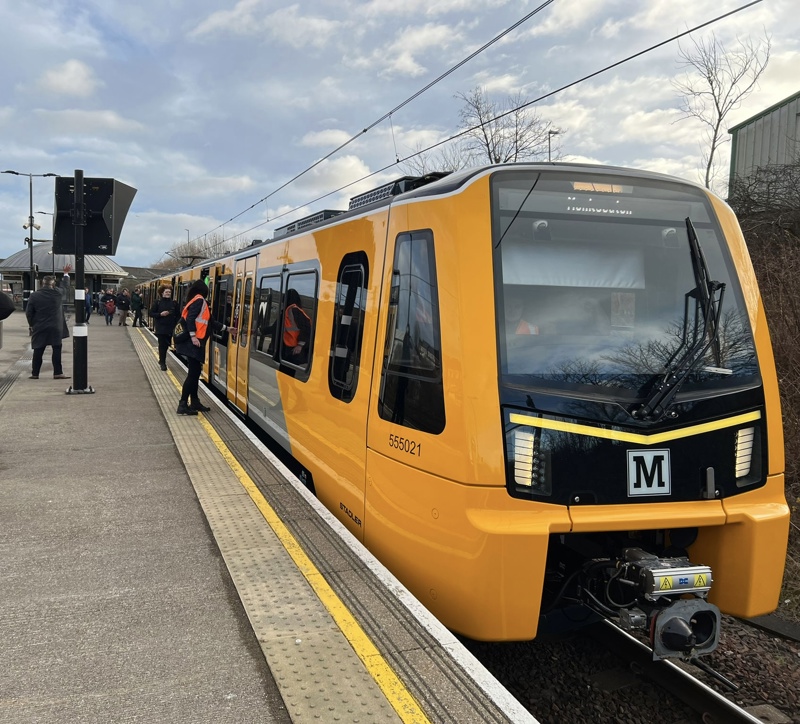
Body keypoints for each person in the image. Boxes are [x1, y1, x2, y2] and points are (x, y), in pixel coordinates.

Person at [174, 280, 226, 415]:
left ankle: (195, 401)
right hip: (193, 344)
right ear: (204, 290)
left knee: (195, 373)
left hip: (193, 343)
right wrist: (193, 336)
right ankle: (183, 404)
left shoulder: (196, 300)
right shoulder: (200, 301)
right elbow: (191, 319)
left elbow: (211, 321)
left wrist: (227, 328)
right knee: (193, 374)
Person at [25, 274, 70, 380]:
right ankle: (58, 373)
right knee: (57, 349)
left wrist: (31, 324)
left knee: (38, 350)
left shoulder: (34, 296)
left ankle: (35, 373)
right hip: (56, 327)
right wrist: (65, 275)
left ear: (42, 283)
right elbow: (65, 287)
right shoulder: (57, 293)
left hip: (40, 326)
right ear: (53, 284)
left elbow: (29, 312)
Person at [150, 285, 179, 371]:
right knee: (162, 346)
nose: (168, 293)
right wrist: (160, 314)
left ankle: (162, 360)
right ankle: (162, 362)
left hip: (170, 328)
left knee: (166, 345)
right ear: (162, 293)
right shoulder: (157, 302)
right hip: (161, 328)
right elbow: (151, 313)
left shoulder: (174, 303)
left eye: (169, 292)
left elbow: (178, 315)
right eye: (166, 292)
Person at [282, 288, 312, 363]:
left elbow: (306, 328)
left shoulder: (293, 310)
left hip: (294, 348)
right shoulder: (291, 310)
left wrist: (300, 345)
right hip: (290, 346)